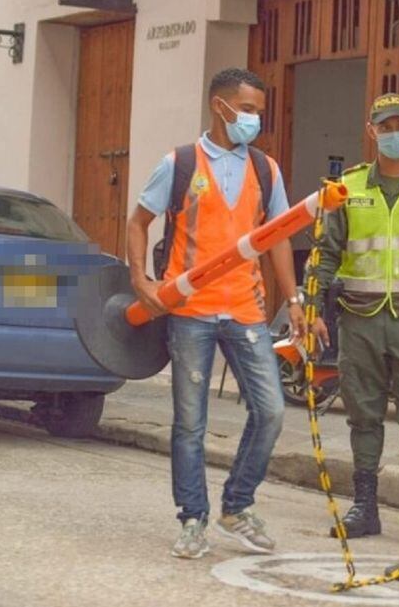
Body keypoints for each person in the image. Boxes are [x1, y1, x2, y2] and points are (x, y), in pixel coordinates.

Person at [125, 67, 306, 559]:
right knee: (190, 423)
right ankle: (192, 519)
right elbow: (139, 221)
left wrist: (294, 301)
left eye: (258, 112)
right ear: (220, 106)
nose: (253, 120)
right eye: (247, 110)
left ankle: (237, 506)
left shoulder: (265, 169)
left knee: (269, 412)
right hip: (191, 311)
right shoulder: (180, 163)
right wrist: (141, 280)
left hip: (247, 310)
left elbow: (279, 239)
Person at [310, 93, 399, 542]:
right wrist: (314, 309)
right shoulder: (347, 188)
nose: (395, 134)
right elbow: (325, 252)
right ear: (371, 132)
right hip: (359, 319)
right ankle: (365, 508)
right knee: (364, 417)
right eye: (385, 127)